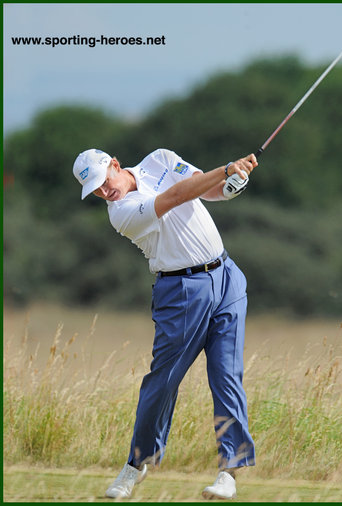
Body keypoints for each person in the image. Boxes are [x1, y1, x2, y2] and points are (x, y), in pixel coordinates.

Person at [73, 148, 258, 500]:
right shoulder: (121, 213)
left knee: (227, 375)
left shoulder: (160, 159)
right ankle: (137, 463)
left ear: (115, 164)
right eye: (94, 190)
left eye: (103, 182)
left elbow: (206, 190)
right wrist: (225, 167)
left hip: (227, 277)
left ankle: (229, 471)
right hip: (181, 291)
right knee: (163, 382)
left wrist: (233, 181)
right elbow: (175, 196)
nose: (103, 192)